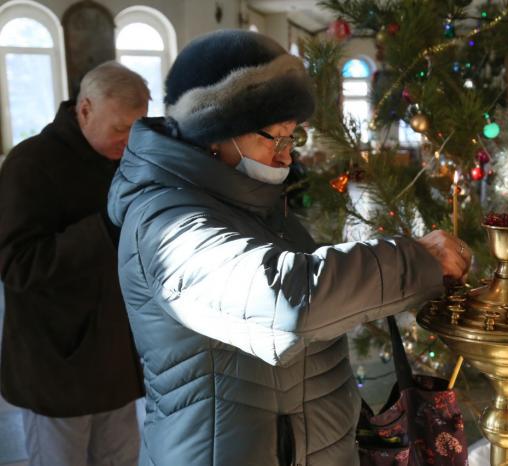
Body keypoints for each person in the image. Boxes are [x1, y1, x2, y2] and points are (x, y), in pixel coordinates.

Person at [107, 30, 471, 466]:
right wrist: (415, 260)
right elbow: (286, 302)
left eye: (291, 138)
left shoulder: (255, 207)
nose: (285, 157)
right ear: (213, 133)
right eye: (273, 138)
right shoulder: (165, 220)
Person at [0, 61, 149, 466]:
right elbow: (16, 265)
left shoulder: (126, 162)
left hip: (115, 360)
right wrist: (103, 228)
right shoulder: (29, 164)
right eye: (120, 128)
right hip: (57, 365)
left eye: (137, 128)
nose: (128, 140)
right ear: (85, 109)